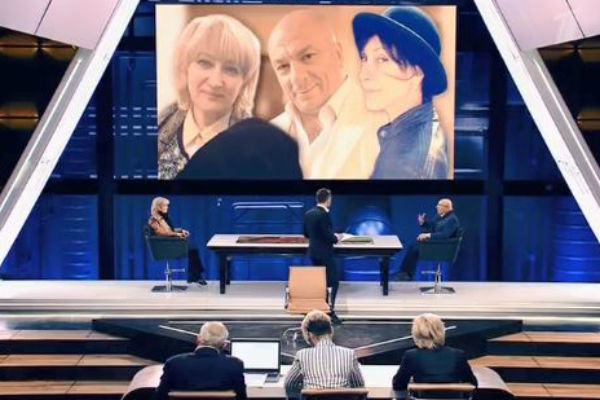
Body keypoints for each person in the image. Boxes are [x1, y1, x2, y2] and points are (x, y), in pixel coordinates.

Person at [268, 10, 387, 179]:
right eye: (283, 67)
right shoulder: (267, 134)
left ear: (338, 55)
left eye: (307, 56)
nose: (297, 78)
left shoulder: (386, 124)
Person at [158, 14, 261, 179]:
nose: (215, 82)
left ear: (245, 81)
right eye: (205, 63)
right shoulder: (156, 128)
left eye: (231, 69)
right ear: (185, 68)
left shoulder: (260, 150)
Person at [352, 6, 450, 179]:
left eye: (382, 59)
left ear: (417, 72)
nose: (363, 75)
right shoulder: (421, 128)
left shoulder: (404, 165)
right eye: (364, 59)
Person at [156, 321, 246, 400]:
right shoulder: (235, 364)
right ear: (224, 344)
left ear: (198, 338)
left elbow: (160, 396)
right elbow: (241, 397)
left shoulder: (174, 363)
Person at [285, 310, 364, 397]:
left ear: (309, 335)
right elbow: (359, 386)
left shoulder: (302, 355)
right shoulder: (349, 354)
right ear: (331, 331)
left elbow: (289, 385)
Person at [392, 313, 477, 395]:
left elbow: (398, 385)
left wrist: (412, 383)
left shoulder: (411, 356)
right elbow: (472, 384)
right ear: (441, 331)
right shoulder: (458, 355)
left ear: (416, 334)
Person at [303, 188, 342, 324]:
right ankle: (329, 312)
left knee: (320, 283)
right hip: (325, 253)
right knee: (333, 282)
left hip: (314, 253)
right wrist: (336, 238)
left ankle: (320, 311)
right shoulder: (323, 214)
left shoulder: (309, 213)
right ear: (328, 199)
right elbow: (327, 235)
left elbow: (306, 234)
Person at [148, 197, 206, 285]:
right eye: (165, 205)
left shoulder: (164, 217)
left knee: (193, 249)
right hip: (164, 246)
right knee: (192, 249)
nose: (167, 207)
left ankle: (194, 275)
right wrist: (176, 234)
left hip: (169, 242)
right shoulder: (153, 220)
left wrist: (181, 231)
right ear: (159, 207)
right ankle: (194, 276)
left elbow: (169, 230)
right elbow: (161, 233)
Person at [398, 198, 460, 280]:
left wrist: (428, 235)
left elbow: (445, 235)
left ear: (447, 207)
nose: (437, 207)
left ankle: (406, 274)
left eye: (439, 205)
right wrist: (423, 223)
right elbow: (431, 226)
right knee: (413, 246)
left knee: (415, 248)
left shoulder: (452, 219)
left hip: (443, 248)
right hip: (435, 244)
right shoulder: (439, 217)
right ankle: (405, 273)